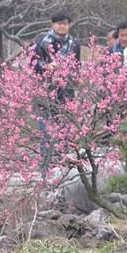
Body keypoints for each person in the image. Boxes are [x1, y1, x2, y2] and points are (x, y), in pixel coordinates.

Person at [32, 10, 81, 176]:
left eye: (65, 23)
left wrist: (75, 77)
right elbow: (32, 62)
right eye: (59, 23)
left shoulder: (74, 43)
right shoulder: (41, 42)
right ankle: (45, 171)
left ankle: (62, 171)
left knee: (65, 133)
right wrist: (45, 66)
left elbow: (77, 65)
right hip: (45, 92)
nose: (62, 26)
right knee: (46, 133)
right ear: (53, 24)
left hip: (66, 92)